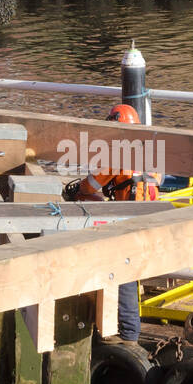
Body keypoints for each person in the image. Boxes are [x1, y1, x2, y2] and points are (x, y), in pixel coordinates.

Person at [68, 103, 160, 342]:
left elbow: (91, 186)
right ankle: (125, 328)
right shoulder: (149, 152)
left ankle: (129, 335)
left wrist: (78, 190)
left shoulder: (119, 153)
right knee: (129, 272)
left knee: (123, 273)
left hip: (130, 221)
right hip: (151, 219)